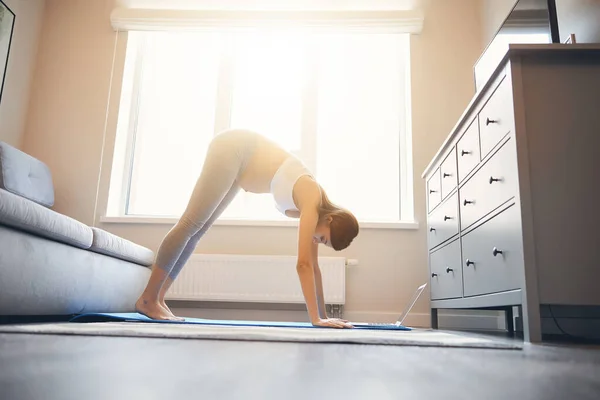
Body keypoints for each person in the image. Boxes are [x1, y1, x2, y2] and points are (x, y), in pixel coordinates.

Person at [135, 129, 359, 328]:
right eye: (323, 239)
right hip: (234, 150)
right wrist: (316, 320)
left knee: (197, 231)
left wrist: (325, 316)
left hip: (239, 167)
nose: (317, 241)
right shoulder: (312, 197)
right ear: (329, 220)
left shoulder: (313, 212)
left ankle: (158, 298)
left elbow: (315, 268)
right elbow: (303, 264)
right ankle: (148, 298)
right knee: (190, 223)